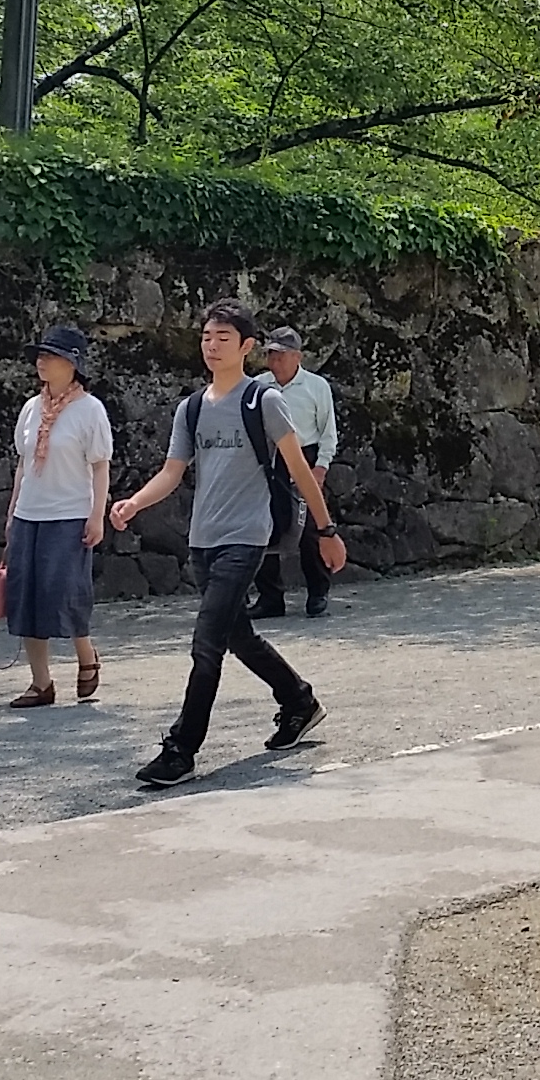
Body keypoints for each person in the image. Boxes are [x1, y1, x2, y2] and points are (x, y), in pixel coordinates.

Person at [110, 299, 347, 789]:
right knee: (238, 635)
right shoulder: (192, 408)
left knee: (207, 642)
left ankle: (181, 749)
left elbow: (300, 470)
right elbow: (172, 472)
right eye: (206, 337)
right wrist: (134, 502)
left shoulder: (264, 401)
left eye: (223, 338)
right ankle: (298, 700)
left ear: (247, 347)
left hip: (247, 536)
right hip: (204, 540)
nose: (212, 346)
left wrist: (326, 531)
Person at [3, 325, 112, 709]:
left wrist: (97, 516)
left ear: (73, 364)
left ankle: (86, 653)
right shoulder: (31, 408)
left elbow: (100, 466)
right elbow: (23, 463)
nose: (42, 362)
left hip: (69, 513)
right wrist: (13, 511)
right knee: (26, 596)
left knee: (66, 593)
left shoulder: (90, 410)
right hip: (30, 512)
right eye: (40, 356)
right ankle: (41, 683)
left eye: (51, 356)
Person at [251, 326, 342, 620]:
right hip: (269, 460)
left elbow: (327, 432)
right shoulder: (257, 386)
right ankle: (270, 597)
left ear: (297, 357)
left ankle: (318, 593)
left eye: (280, 356)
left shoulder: (316, 386)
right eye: (270, 355)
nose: (274, 361)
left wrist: (321, 467)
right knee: (264, 526)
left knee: (311, 529)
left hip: (306, 456)